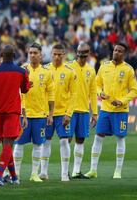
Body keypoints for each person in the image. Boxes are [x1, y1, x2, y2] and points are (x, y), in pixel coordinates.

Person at [85, 43, 137, 179]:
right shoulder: (104, 66)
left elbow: (134, 90)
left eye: (120, 51)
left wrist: (122, 101)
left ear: (124, 54)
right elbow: (97, 83)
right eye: (115, 50)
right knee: (98, 137)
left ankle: (118, 171)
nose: (116, 53)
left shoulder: (128, 70)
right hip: (105, 109)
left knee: (120, 138)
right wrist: (100, 92)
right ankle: (93, 170)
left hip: (121, 110)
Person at [13, 42, 54, 182]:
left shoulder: (46, 72)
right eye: (30, 53)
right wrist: (21, 112)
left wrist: (50, 114)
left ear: (41, 55)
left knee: (38, 144)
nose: (32, 55)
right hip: (24, 115)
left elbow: (51, 94)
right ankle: (16, 174)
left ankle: (34, 174)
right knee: (18, 144)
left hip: (40, 114)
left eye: (35, 53)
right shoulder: (22, 70)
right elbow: (18, 93)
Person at [0, 45, 30, 186]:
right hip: (12, 111)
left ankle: (14, 177)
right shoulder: (21, 71)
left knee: (6, 144)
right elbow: (25, 90)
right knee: (8, 144)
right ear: (14, 55)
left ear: (1, 54)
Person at [40, 44, 76, 181]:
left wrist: (69, 113)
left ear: (64, 55)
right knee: (46, 142)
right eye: (54, 54)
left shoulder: (69, 71)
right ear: (51, 54)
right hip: (47, 113)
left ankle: (64, 174)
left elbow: (74, 95)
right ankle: (43, 172)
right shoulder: (44, 69)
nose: (57, 57)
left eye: (59, 54)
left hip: (62, 113)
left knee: (64, 141)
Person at [69, 43, 97, 179]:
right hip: (70, 110)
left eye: (84, 52)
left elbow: (93, 93)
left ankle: (76, 171)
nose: (81, 55)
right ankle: (64, 171)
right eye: (79, 52)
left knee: (80, 140)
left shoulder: (91, 70)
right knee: (66, 139)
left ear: (88, 53)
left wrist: (95, 113)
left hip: (84, 110)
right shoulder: (68, 67)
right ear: (76, 52)